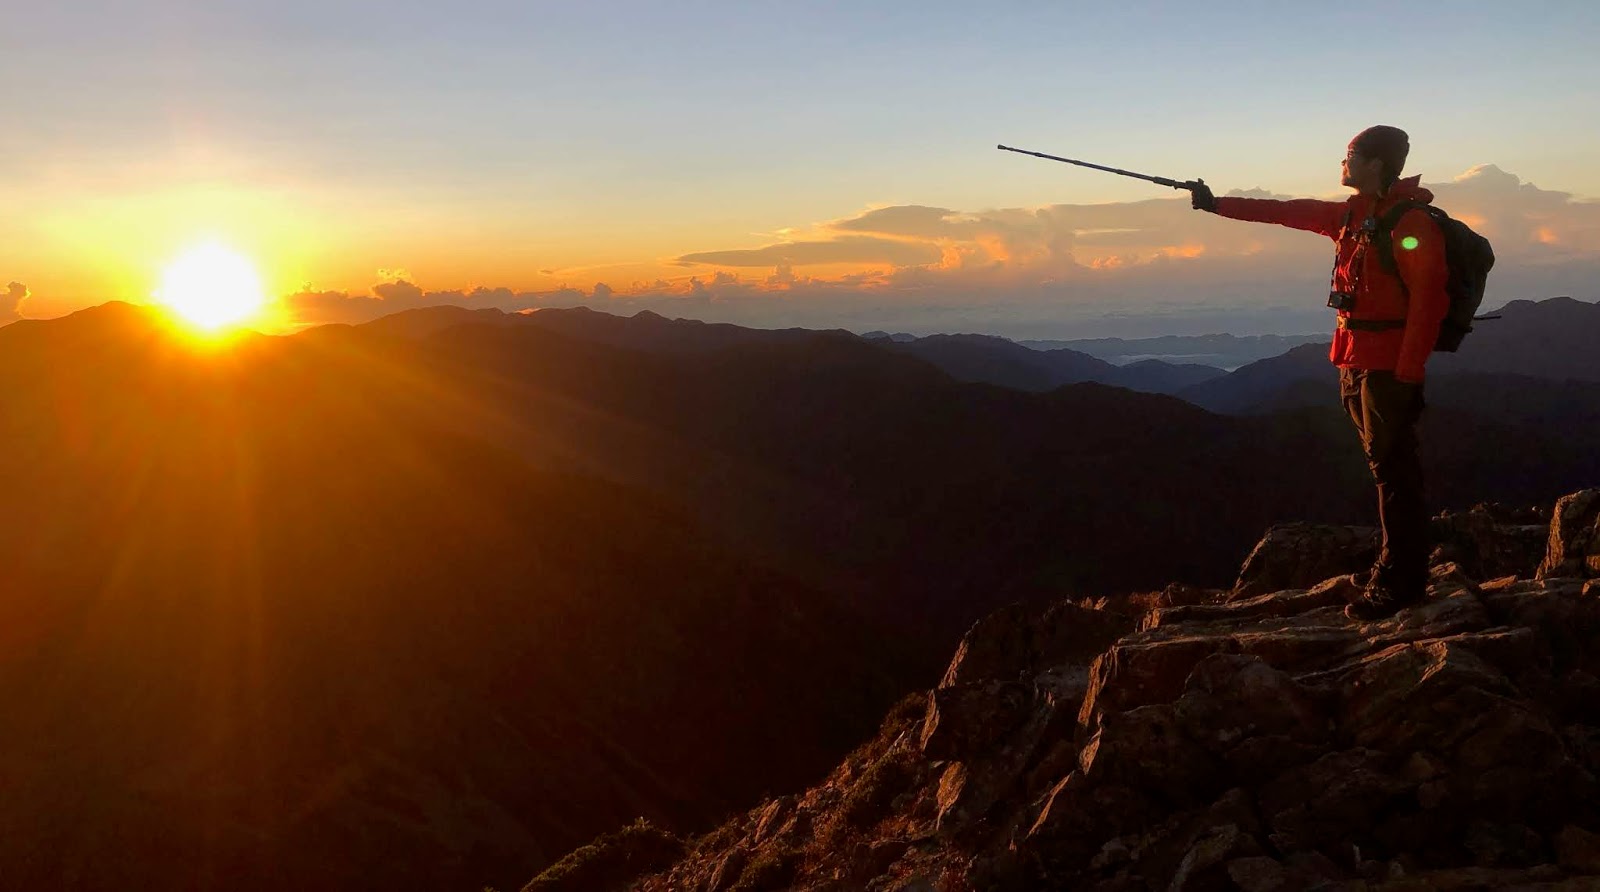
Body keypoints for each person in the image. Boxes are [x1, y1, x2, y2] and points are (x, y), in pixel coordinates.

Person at [1190, 126, 1450, 620]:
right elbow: (1285, 211)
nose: (1342, 163)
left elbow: (1429, 300)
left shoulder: (1409, 222)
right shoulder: (1351, 216)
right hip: (1354, 361)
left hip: (1387, 367)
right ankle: (1396, 572)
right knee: (1385, 469)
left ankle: (1401, 583)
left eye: (1350, 155)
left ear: (1375, 163)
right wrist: (1215, 203)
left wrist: (1408, 374)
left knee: (1394, 473)